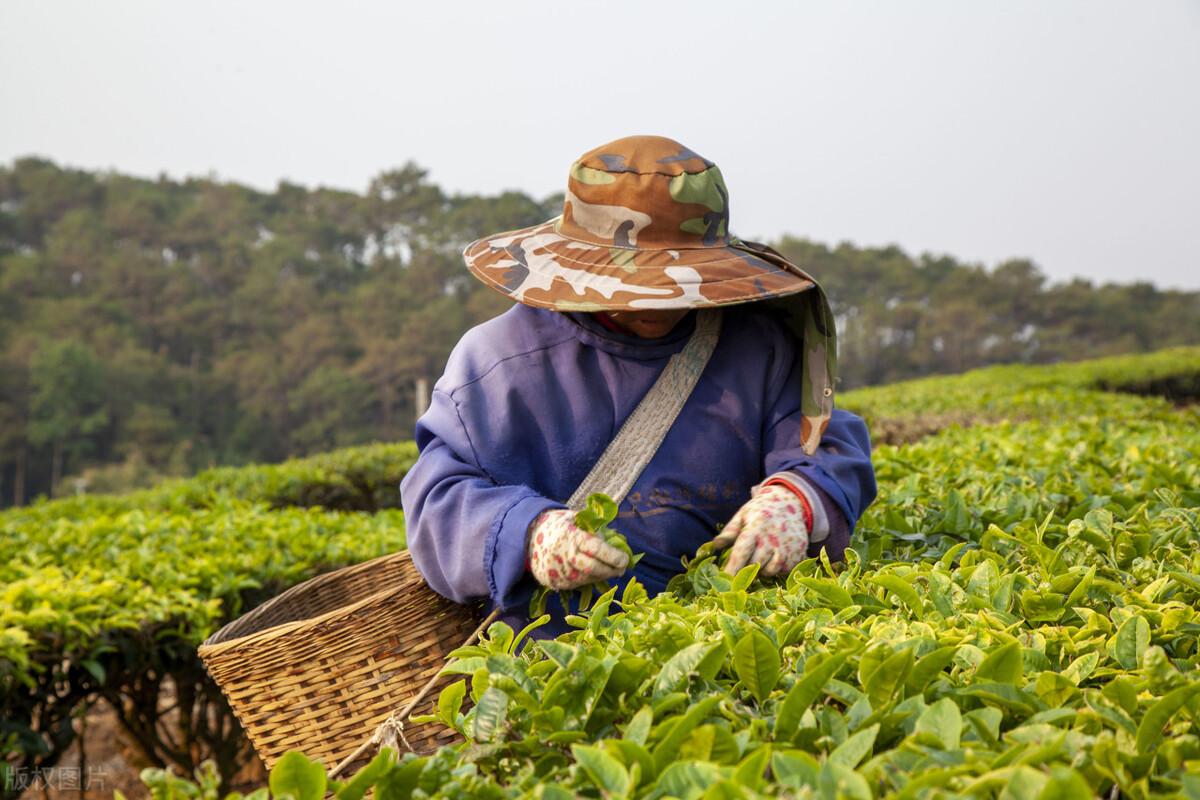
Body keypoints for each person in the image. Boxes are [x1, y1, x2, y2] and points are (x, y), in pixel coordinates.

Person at [400, 135, 877, 637]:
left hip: (728, 636)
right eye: (638, 285)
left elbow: (824, 444)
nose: (656, 304)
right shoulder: (497, 364)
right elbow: (437, 500)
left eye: (674, 284)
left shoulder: (757, 348)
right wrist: (529, 534)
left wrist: (794, 500)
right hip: (557, 659)